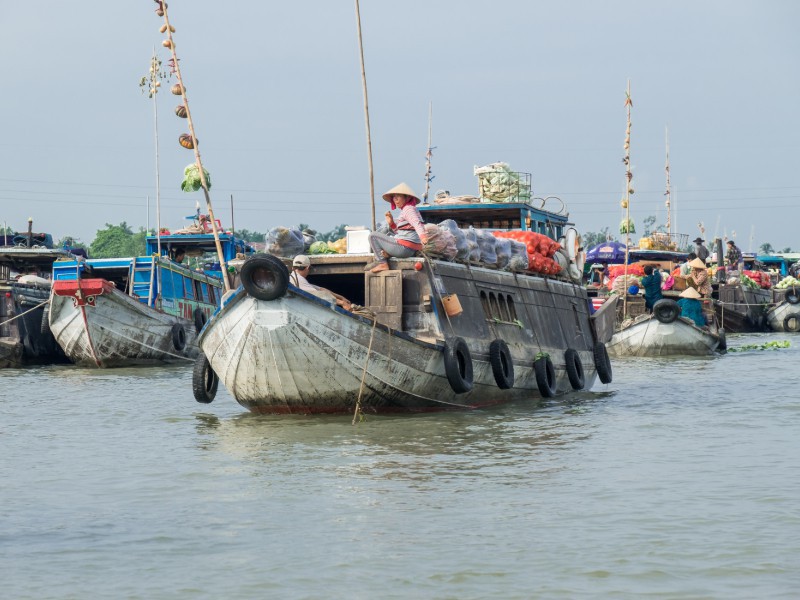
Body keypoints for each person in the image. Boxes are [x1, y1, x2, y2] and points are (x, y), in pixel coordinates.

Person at [365, 182, 429, 274]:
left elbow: (416, 223)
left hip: (404, 248)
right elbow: (401, 233)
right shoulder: (410, 209)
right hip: (410, 249)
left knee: (372, 236)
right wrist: (391, 223)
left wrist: (423, 236)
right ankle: (387, 254)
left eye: (398, 196)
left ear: (407, 197)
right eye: (394, 197)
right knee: (389, 234)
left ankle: (382, 263)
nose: (395, 200)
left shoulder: (408, 209)